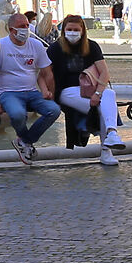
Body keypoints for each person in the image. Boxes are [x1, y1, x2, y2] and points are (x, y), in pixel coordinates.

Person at [46, 13, 124, 165]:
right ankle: (107, 148)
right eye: (69, 29)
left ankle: (111, 135)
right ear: (64, 30)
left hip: (90, 89)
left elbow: (104, 72)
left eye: (76, 29)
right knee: (106, 104)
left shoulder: (92, 46)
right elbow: (45, 73)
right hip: (66, 91)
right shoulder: (55, 48)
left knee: (108, 94)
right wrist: (47, 92)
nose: (73, 32)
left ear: (82, 30)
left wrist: (97, 93)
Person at [0, 9, 61, 166]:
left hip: (31, 92)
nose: (26, 29)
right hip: (8, 93)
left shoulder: (35, 45)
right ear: (11, 30)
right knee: (17, 114)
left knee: (54, 110)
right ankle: (25, 141)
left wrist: (51, 93)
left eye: (27, 25)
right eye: (22, 26)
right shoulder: (0, 46)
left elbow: (47, 73)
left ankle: (24, 141)